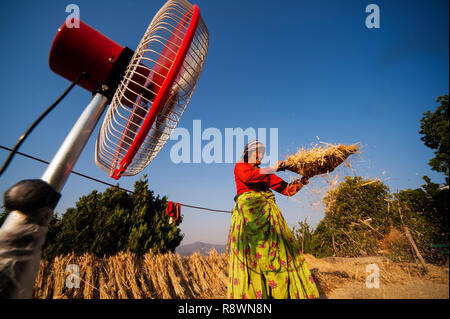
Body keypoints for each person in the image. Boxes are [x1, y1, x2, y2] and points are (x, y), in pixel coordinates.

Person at [227, 140, 319, 299]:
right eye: (257, 152)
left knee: (276, 253)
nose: (260, 155)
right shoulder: (241, 165)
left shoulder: (266, 173)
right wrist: (273, 168)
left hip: (269, 215)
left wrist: (302, 181)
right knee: (252, 255)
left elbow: (287, 189)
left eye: (262, 153)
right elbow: (249, 177)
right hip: (249, 215)